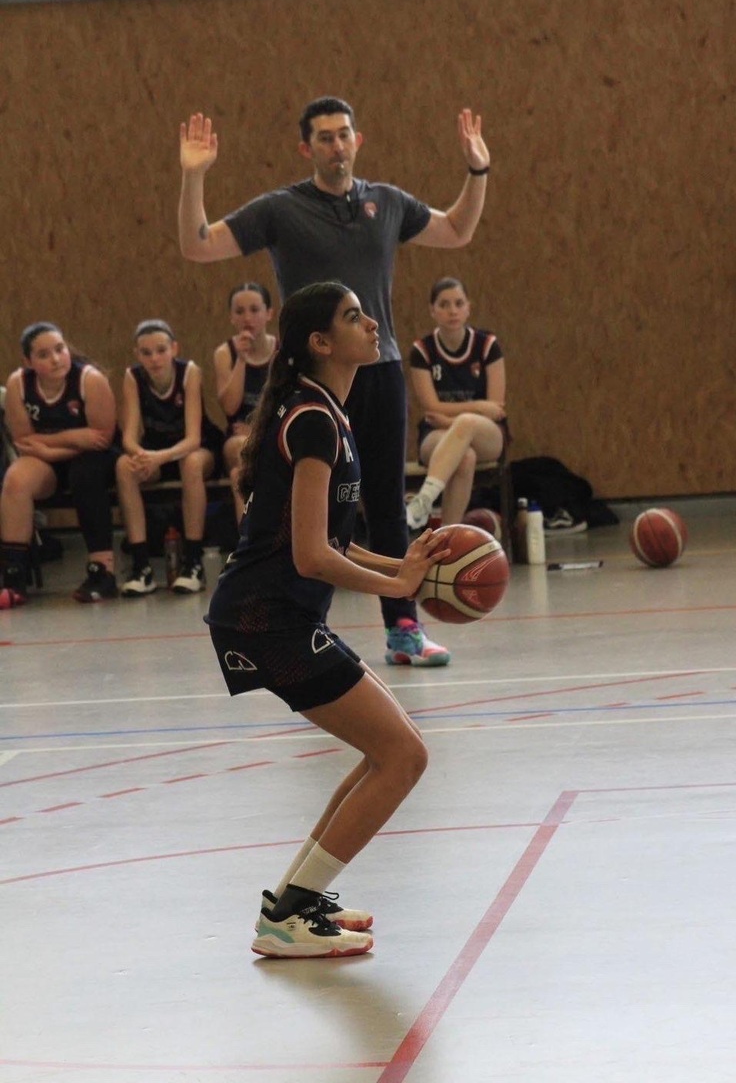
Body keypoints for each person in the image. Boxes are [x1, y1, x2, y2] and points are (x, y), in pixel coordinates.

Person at [178, 96, 491, 667]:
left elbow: (456, 230)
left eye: (344, 134)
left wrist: (478, 170)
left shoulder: (387, 203)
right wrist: (194, 176)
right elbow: (197, 244)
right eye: (324, 137)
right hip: (312, 380)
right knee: (306, 513)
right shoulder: (281, 209)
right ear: (307, 148)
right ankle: (288, 621)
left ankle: (403, 629)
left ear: (357, 140)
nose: (336, 145)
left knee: (385, 503)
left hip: (379, 372)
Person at [206, 281, 447, 959]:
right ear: (320, 342)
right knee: (403, 756)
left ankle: (295, 903)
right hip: (267, 619)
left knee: (389, 750)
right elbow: (312, 556)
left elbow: (332, 541)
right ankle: (287, 920)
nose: (371, 324)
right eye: (353, 317)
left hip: (279, 615)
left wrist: (404, 565)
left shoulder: (323, 411)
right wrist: (396, 583)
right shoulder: (311, 420)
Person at [0, 322, 118, 606]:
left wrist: (48, 445)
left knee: (83, 473)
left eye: (60, 349)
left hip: (94, 460)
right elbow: (24, 441)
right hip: (49, 461)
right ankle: (14, 577)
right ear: (28, 361)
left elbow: (101, 438)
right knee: (16, 478)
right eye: (44, 355)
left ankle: (102, 571)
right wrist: (74, 439)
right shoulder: (19, 383)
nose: (55, 359)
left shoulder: (89, 379)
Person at [116, 319, 223, 596]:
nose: (154, 358)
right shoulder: (133, 377)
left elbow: (193, 439)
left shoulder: (189, 372)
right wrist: (140, 455)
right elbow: (128, 437)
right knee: (124, 466)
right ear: (137, 355)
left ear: (174, 348)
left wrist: (158, 458)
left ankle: (194, 563)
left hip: (195, 449)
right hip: (156, 451)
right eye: (146, 352)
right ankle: (141, 567)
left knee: (191, 464)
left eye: (161, 350)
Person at [406, 276, 507, 530]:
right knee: (464, 457)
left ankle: (425, 497)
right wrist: (477, 407)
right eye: (444, 304)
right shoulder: (422, 350)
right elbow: (431, 407)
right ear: (432, 310)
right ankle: (448, 537)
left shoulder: (487, 345)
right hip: (436, 432)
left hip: (485, 433)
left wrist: (453, 419)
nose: (452, 311)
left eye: (459, 303)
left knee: (467, 423)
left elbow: (495, 408)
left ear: (468, 307)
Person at [213, 282, 275, 523]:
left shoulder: (281, 352)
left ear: (269, 313)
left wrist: (258, 430)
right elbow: (230, 407)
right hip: (238, 436)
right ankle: (249, 537)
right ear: (231, 317)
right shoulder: (225, 353)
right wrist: (241, 359)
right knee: (243, 450)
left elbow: (290, 404)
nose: (247, 318)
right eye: (239, 311)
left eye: (254, 310)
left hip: (274, 432)